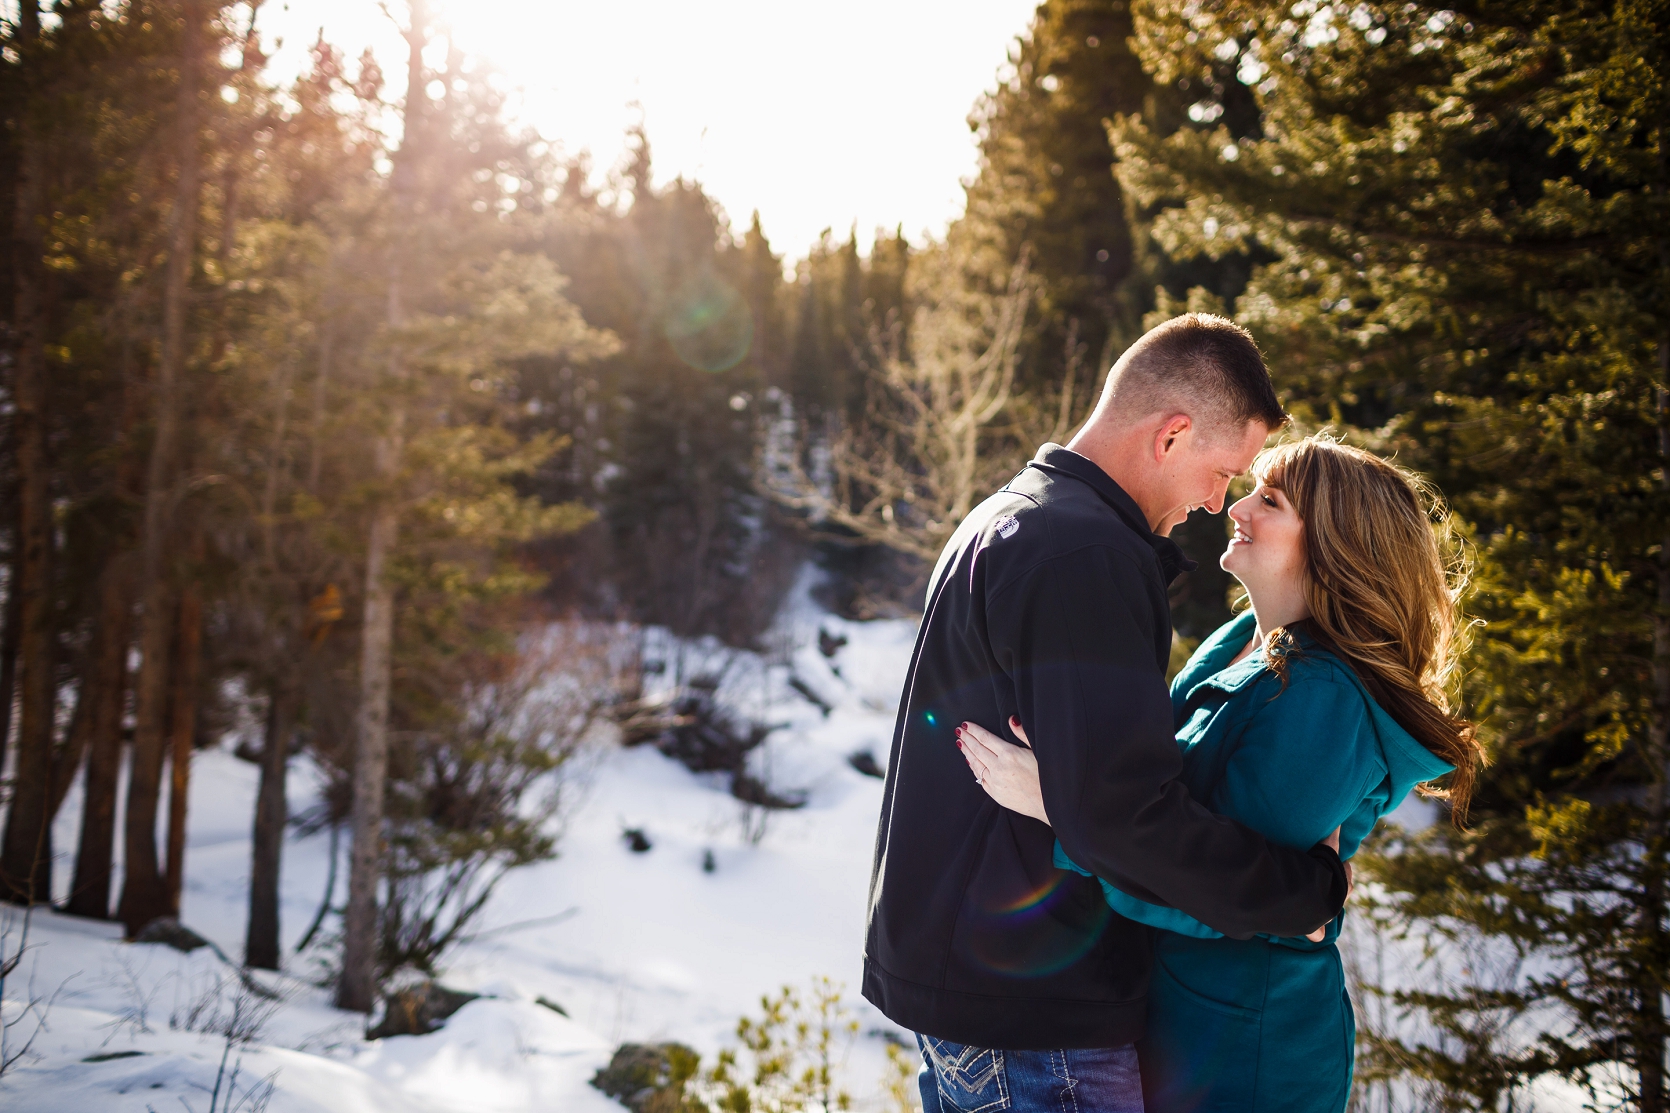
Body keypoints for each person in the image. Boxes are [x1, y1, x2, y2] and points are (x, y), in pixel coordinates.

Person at [862, 314, 1352, 1113]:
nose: (1213, 503)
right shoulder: (1082, 553)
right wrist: (1304, 893)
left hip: (984, 993)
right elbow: (1125, 819)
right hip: (1035, 1014)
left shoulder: (1016, 513)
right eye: (1223, 471)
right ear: (1172, 435)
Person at [956, 435, 1483, 1112]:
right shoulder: (1238, 642)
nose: (1237, 506)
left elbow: (1217, 886)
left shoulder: (1326, 697)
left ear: (1334, 543)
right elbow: (1160, 794)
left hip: (1245, 1045)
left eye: (1270, 499)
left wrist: (1062, 805)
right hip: (1173, 1014)